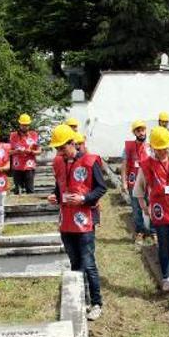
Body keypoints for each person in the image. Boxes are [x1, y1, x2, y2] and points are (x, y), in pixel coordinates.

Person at [48, 125, 107, 321]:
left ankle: (96, 303)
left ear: (72, 143)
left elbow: (101, 188)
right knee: (74, 263)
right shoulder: (59, 162)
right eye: (57, 149)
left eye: (62, 148)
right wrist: (55, 196)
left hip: (84, 222)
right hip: (66, 222)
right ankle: (82, 298)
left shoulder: (90, 161)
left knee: (88, 263)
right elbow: (59, 185)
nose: (60, 153)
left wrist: (83, 199)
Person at [133, 126, 169, 292]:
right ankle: (166, 278)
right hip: (160, 210)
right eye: (158, 149)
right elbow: (139, 188)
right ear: (152, 147)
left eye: (164, 148)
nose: (162, 152)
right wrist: (143, 205)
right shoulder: (147, 165)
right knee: (164, 244)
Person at [121, 120, 153, 244]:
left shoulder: (151, 147)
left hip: (149, 183)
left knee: (152, 206)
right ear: (134, 132)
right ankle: (140, 231)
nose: (141, 133)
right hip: (133, 183)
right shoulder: (128, 148)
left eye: (142, 130)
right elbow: (124, 166)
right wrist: (124, 182)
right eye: (138, 130)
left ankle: (153, 231)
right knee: (136, 208)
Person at [9, 113, 41, 195]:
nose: (24, 127)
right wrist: (17, 151)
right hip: (17, 167)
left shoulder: (34, 135)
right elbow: (8, 152)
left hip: (29, 167)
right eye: (23, 125)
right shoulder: (13, 136)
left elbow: (39, 151)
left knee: (30, 190)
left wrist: (31, 152)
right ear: (19, 124)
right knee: (17, 191)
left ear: (29, 125)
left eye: (26, 125)